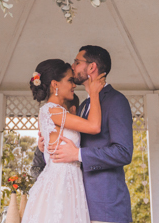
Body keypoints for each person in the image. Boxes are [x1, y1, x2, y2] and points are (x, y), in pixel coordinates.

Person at [51, 45, 134, 223]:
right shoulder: (83, 106)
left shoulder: (116, 101)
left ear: (91, 67)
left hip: (107, 208)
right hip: (81, 206)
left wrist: (79, 154)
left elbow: (123, 152)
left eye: (77, 62)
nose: (72, 66)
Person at [21, 58, 106, 223]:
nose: (74, 85)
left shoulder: (57, 111)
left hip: (67, 180)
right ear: (55, 84)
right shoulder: (52, 111)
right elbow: (95, 126)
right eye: (70, 80)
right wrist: (94, 93)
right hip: (61, 183)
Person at [30, 93, 79, 181]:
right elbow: (34, 170)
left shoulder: (82, 134)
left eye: (58, 110)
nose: (52, 115)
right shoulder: (46, 136)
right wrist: (43, 152)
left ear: (73, 110)